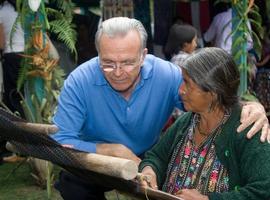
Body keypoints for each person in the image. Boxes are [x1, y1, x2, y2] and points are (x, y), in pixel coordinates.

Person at [51, 17, 269, 200]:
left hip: (145, 154)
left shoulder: (168, 75)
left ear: (144, 56)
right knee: (73, 184)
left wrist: (254, 106)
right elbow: (60, 141)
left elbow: (216, 99)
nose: (117, 72)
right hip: (98, 158)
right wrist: (110, 150)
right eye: (107, 62)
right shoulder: (80, 81)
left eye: (127, 62)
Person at [139, 47, 270, 200]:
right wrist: (149, 172)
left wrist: (207, 199)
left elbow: (263, 190)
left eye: (187, 83)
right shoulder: (187, 121)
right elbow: (156, 157)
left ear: (213, 92)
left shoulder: (247, 128)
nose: (180, 89)